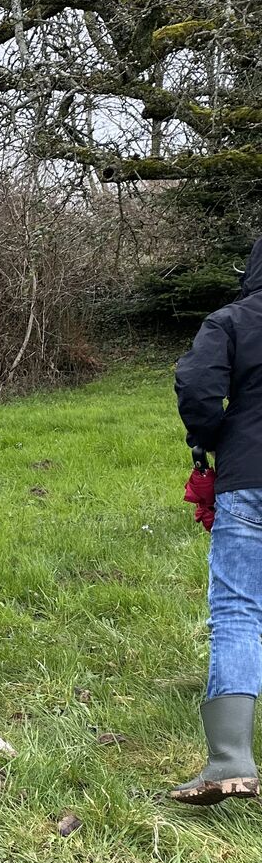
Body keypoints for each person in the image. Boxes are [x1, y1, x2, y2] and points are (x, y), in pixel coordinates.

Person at [169, 237, 262, 804]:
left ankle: (230, 760)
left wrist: (210, 438)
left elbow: (197, 386)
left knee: (238, 610)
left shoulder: (231, 321)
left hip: (249, 477)